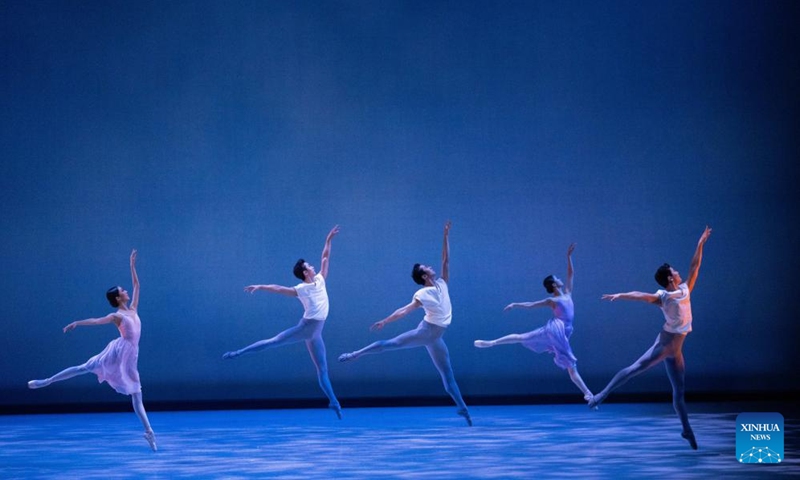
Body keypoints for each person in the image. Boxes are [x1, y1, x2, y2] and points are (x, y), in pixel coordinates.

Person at [589, 226, 712, 450]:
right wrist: (621, 295)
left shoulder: (684, 289)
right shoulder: (663, 296)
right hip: (666, 344)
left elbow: (695, 266)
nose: (679, 272)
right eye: (675, 271)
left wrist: (700, 243)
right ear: (669, 277)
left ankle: (686, 430)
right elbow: (640, 295)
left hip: (676, 349)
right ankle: (600, 395)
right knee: (636, 368)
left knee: (679, 391)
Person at [338, 221, 471, 426]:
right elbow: (405, 310)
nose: (431, 266)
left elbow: (446, 260)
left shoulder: (442, 283)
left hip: (436, 337)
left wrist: (445, 236)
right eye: (426, 267)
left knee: (447, 373)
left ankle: (462, 407)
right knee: (390, 344)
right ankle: (355, 354)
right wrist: (385, 320)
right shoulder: (422, 293)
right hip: (426, 332)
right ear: (424, 276)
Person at [28, 250, 157, 451]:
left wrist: (132, 266)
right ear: (117, 298)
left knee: (136, 392)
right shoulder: (117, 316)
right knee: (84, 368)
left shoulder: (133, 309)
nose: (126, 291)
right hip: (117, 352)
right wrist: (77, 323)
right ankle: (47, 381)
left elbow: (137, 285)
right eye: (122, 290)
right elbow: (97, 321)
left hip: (131, 356)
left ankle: (149, 432)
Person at [223, 226, 342, 419]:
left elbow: (325, 257)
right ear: (305, 272)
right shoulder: (301, 289)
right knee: (273, 342)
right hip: (305, 328)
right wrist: (260, 286)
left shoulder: (320, 280)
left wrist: (329, 239)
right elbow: (278, 289)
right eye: (309, 266)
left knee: (322, 369)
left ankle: (334, 401)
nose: (313, 266)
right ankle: (239, 352)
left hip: (316, 334)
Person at [474, 243, 594, 404]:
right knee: (568, 362)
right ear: (553, 284)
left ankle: (587, 394)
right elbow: (531, 305)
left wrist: (569, 257)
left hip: (563, 332)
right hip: (555, 329)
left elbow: (571, 274)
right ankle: (491, 343)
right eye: (557, 278)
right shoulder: (552, 300)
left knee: (564, 362)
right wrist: (515, 304)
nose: (561, 279)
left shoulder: (567, 294)